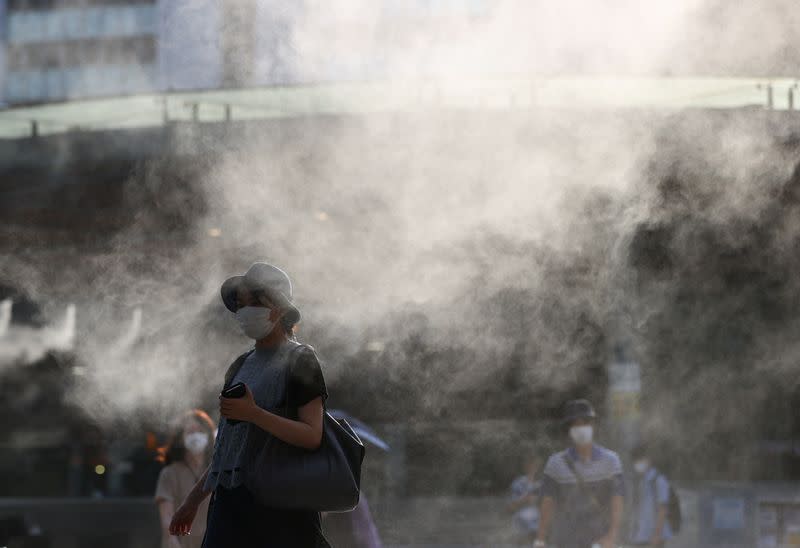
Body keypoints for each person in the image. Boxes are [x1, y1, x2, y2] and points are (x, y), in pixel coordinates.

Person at [168, 263, 330, 548]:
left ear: (277, 308)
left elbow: (312, 435)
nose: (244, 312)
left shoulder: (300, 360)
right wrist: (192, 502)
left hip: (282, 509)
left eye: (253, 302)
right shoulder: (240, 365)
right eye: (240, 304)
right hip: (230, 508)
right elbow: (228, 449)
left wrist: (254, 414)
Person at [534, 399, 624, 548]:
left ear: (593, 426)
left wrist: (612, 536)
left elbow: (617, 500)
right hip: (565, 540)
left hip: (600, 541)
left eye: (585, 423)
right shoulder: (555, 463)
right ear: (569, 430)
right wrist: (540, 539)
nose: (581, 428)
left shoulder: (611, 461)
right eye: (575, 424)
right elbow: (547, 502)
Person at [154, 410, 216, 548]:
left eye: (200, 431)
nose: (195, 436)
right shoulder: (169, 473)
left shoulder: (216, 471)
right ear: (181, 438)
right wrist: (171, 539)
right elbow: (166, 515)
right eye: (190, 432)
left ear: (208, 435)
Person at [627, 444, 673, 547]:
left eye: (640, 459)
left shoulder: (659, 480)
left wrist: (657, 535)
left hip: (655, 536)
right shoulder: (635, 481)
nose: (638, 463)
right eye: (635, 461)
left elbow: (663, 509)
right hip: (638, 535)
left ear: (648, 459)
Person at [506, 451, 543, 543]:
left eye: (535, 465)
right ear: (525, 466)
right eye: (530, 464)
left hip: (537, 517)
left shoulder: (541, 484)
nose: (532, 467)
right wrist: (526, 499)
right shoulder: (518, 483)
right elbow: (510, 507)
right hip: (523, 517)